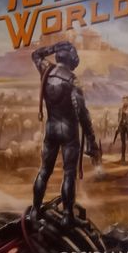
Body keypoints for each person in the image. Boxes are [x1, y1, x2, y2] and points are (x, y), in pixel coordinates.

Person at [31, 41, 99, 227]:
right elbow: (82, 113)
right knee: (69, 173)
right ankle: (67, 215)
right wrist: (91, 140)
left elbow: (36, 54)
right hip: (69, 131)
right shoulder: (73, 80)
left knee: (44, 170)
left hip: (51, 129)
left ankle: (35, 210)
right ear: (72, 59)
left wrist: (54, 47)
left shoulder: (46, 70)